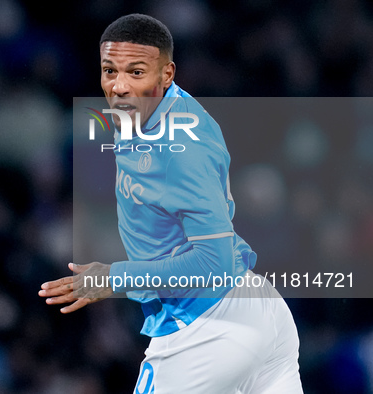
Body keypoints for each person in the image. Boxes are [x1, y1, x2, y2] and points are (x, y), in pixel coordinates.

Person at [39, 13, 302, 393]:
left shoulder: (179, 151)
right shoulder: (149, 114)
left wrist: (113, 278)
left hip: (205, 327)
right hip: (258, 311)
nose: (119, 86)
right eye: (110, 71)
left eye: (136, 72)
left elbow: (215, 264)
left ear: (167, 75)